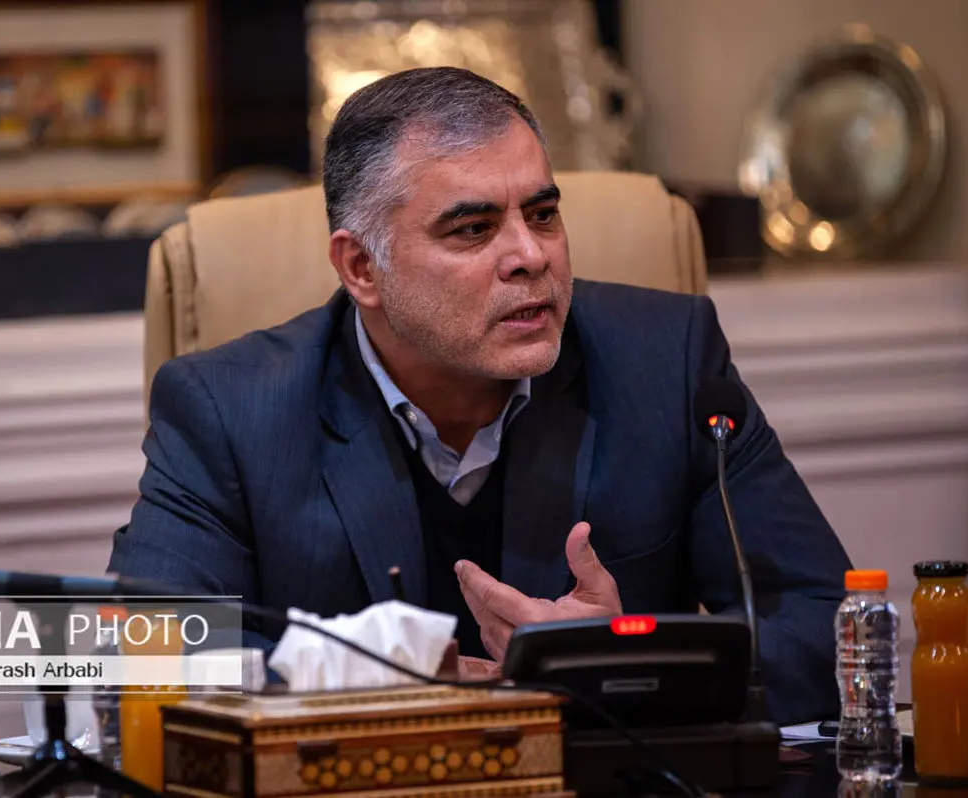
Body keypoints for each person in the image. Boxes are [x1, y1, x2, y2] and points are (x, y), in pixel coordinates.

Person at [107, 67, 852, 724]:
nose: (530, 255)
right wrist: (377, 680)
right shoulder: (229, 409)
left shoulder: (668, 361)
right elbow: (114, 660)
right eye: (473, 228)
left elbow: (832, 624)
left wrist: (623, 665)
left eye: (543, 214)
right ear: (362, 268)